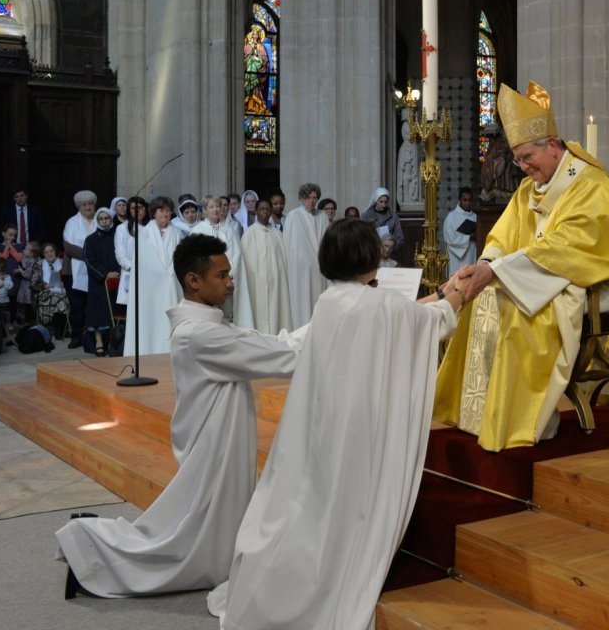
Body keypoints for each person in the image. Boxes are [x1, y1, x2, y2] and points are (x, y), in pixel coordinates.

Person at [206, 218, 462, 629]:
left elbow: (405, 314)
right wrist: (458, 294)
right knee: (350, 502)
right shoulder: (378, 304)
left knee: (316, 496)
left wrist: (438, 296)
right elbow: (434, 323)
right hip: (361, 425)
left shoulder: (331, 300)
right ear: (370, 256)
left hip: (325, 419)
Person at [57, 234, 307, 599]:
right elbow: (283, 355)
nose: (230, 282)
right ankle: (90, 546)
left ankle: (90, 541)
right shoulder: (200, 334)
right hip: (213, 451)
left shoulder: (209, 326)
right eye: (222, 275)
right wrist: (342, 321)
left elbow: (272, 342)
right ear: (194, 280)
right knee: (185, 549)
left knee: (202, 537)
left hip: (219, 443)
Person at [435, 81, 609, 451]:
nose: (522, 167)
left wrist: (497, 273)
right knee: (478, 301)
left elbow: (571, 247)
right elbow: (502, 236)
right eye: (517, 160)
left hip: (584, 280)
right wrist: (485, 263)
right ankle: (479, 414)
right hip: (537, 277)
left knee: (515, 311)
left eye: (527, 157)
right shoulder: (529, 189)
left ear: (551, 144)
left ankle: (522, 419)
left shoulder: (589, 184)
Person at [123, 196, 184, 356]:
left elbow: (180, 256)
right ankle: (148, 350)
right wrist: (160, 273)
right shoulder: (144, 233)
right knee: (150, 320)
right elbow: (143, 261)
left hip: (171, 284)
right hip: (150, 286)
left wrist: (171, 271)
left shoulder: (177, 233)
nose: (165, 214)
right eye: (161, 210)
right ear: (154, 213)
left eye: (168, 210)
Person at [234, 198, 293, 334]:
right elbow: (245, 264)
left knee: (276, 312)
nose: (265, 212)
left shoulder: (277, 234)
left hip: (275, 284)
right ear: (256, 212)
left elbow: (282, 262)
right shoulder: (249, 234)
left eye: (267, 209)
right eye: (261, 209)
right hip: (256, 283)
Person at [283, 183, 329, 327]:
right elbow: (290, 245)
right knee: (303, 301)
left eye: (314, 198)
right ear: (302, 198)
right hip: (301, 270)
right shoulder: (294, 215)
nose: (312, 201)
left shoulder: (322, 216)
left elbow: (326, 241)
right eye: (308, 197)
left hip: (320, 268)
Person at [191, 196, 243, 319]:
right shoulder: (198, 230)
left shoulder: (229, 230)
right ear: (205, 209)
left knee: (227, 315)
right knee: (208, 314)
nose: (215, 209)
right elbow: (195, 256)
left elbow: (236, 254)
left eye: (218, 206)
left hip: (226, 279)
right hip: (207, 280)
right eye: (211, 207)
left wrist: (228, 273)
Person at [62, 190, 98, 349]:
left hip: (96, 271)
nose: (88, 207)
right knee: (77, 306)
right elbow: (69, 247)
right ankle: (76, 336)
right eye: (84, 204)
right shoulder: (71, 222)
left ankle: (92, 337)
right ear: (78, 206)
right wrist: (89, 255)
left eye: (90, 203)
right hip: (74, 271)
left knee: (93, 305)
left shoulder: (100, 219)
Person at [83, 207, 119, 355]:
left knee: (114, 311)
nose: (104, 221)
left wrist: (117, 272)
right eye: (101, 219)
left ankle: (113, 341)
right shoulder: (91, 239)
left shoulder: (118, 235)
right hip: (98, 281)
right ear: (97, 221)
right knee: (97, 312)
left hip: (117, 279)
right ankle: (98, 341)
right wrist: (104, 274)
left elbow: (123, 253)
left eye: (107, 218)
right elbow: (89, 260)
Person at [114, 196, 147, 306]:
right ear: (129, 210)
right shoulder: (122, 228)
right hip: (132, 272)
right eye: (134, 208)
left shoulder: (152, 227)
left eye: (141, 207)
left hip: (150, 274)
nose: (138, 211)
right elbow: (120, 255)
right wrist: (134, 268)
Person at [362, 187, 404, 259]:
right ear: (376, 200)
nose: (383, 205)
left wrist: (389, 248)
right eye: (381, 202)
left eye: (385, 202)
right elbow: (362, 237)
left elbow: (400, 238)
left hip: (390, 255)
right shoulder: (366, 216)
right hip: (371, 255)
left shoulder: (394, 217)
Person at [443, 186, 478, 276]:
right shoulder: (451, 217)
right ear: (459, 200)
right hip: (456, 259)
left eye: (470, 200)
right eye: (465, 200)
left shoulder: (476, 217)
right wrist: (469, 238)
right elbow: (450, 239)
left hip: (471, 254)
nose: (467, 203)